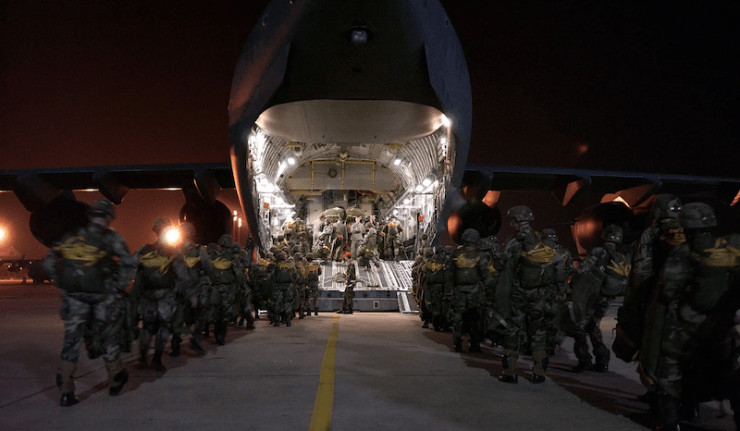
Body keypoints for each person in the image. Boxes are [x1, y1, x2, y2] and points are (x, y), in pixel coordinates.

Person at [652, 203, 740, 430]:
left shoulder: (684, 252)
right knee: (731, 370)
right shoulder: (732, 246)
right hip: (725, 324)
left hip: (689, 323)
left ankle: (669, 421)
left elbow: (669, 290)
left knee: (671, 366)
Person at [42, 200, 136, 406]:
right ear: (109, 218)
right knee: (109, 338)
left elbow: (48, 262)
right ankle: (116, 379)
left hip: (75, 300)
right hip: (103, 298)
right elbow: (129, 263)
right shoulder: (111, 238)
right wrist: (119, 288)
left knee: (71, 344)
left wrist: (62, 286)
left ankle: (66, 391)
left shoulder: (71, 237)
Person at [497, 206, 556, 384]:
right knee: (538, 332)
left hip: (519, 295)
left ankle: (510, 372)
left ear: (516, 222)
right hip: (539, 295)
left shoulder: (513, 242)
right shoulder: (542, 241)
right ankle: (538, 372)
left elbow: (500, 264)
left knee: (513, 330)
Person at [564, 225, 630, 372]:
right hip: (606, 299)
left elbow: (583, 270)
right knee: (593, 326)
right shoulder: (621, 256)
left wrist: (574, 284)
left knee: (578, 326)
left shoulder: (598, 252)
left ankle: (584, 360)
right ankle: (602, 359)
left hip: (593, 297)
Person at [132, 217, 179, 371]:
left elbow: (132, 267)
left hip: (154, 295)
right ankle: (153, 359)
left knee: (151, 327)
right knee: (158, 327)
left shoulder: (146, 250)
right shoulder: (171, 252)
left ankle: (148, 358)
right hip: (158, 295)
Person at [448, 228, 492, 353]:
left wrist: (449, 291)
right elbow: (486, 274)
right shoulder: (479, 255)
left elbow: (449, 274)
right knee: (475, 318)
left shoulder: (456, 254)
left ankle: (458, 343)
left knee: (458, 318)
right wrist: (489, 291)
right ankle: (474, 344)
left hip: (459, 291)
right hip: (474, 291)